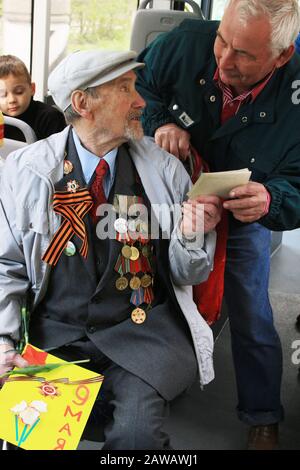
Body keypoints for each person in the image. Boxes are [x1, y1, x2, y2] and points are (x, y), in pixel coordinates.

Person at [0, 49, 222, 450]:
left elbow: (190, 275)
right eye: (124, 88)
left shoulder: (166, 170)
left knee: (138, 439)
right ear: (83, 103)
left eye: (136, 87)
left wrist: (191, 234)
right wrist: (3, 339)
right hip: (55, 334)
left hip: (141, 336)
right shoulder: (25, 171)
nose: (141, 101)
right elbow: (6, 265)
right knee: (29, 438)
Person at [136, 0, 300, 450]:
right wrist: (161, 120)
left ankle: (263, 415)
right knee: (147, 286)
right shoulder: (185, 44)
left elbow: (299, 184)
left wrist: (272, 199)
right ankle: (156, 381)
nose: (224, 61)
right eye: (222, 40)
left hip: (245, 207)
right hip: (167, 193)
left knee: (249, 308)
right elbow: (136, 85)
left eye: (244, 54)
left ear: (283, 56)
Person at [0, 54, 66, 141]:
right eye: (3, 95)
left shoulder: (50, 118)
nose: (12, 100)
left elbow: (60, 152)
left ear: (32, 88)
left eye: (19, 92)